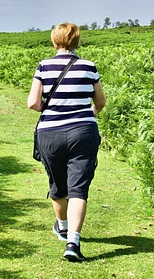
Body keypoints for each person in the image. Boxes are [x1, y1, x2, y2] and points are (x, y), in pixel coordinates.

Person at [27, 22, 106, 262]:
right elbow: (101, 102)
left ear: (54, 40)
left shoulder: (44, 66)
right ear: (77, 41)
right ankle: (73, 242)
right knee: (79, 189)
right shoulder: (88, 66)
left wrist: (51, 110)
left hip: (50, 133)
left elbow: (32, 103)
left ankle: (61, 226)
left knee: (58, 186)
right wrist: (86, 115)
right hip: (83, 132)